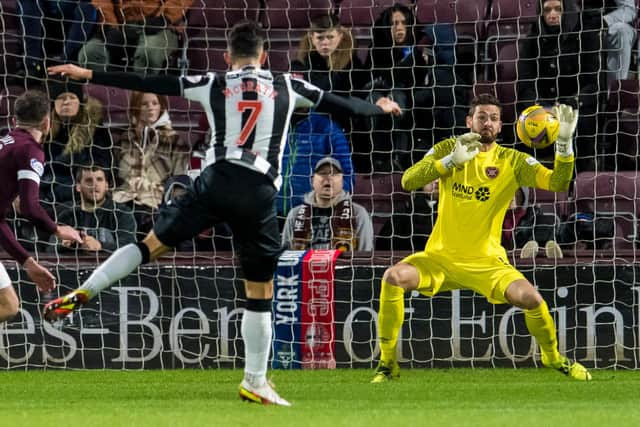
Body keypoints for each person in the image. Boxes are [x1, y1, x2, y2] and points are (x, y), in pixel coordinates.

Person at [42, 20, 401, 406]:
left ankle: (86, 289)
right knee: (259, 291)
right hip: (258, 190)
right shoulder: (290, 84)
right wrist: (379, 107)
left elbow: (151, 82)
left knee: (148, 246)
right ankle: (254, 381)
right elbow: (347, 106)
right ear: (265, 55)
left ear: (228, 57)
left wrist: (88, 72)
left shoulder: (213, 81)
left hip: (214, 180)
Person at [370, 94, 592, 384]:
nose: (487, 123)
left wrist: (564, 144)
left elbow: (559, 182)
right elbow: (408, 181)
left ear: (501, 127)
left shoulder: (512, 160)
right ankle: (387, 364)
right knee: (392, 277)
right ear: (469, 121)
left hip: (488, 263)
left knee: (532, 299)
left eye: (494, 118)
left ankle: (553, 357)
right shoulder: (449, 148)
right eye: (481, 117)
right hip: (440, 258)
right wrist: (449, 162)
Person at [0, 90, 83, 322]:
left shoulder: (6, 143)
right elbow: (29, 207)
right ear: (47, 123)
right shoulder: (29, 150)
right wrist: (57, 230)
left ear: (14, 121)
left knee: (8, 305)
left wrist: (28, 262)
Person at [516, 0, 604, 172]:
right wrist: (541, 106)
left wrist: (571, 103)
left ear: (568, 11)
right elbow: (525, 85)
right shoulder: (532, 40)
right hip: (543, 107)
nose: (552, 15)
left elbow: (594, 85)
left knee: (582, 122)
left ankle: (578, 183)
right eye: (547, 10)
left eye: (558, 9)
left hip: (576, 106)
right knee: (524, 122)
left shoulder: (586, 37)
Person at [112, 91, 190, 234]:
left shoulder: (175, 141)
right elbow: (114, 174)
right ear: (136, 108)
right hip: (123, 200)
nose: (151, 107)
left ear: (161, 107)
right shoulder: (124, 139)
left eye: (155, 103)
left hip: (156, 204)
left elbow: (181, 180)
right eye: (144, 104)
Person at [41, 78, 112, 207]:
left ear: (80, 102)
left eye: (72, 97)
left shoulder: (96, 129)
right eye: (61, 98)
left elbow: (103, 164)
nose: (67, 102)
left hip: (81, 188)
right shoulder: (44, 132)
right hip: (47, 185)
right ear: (53, 104)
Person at [282, 157, 373, 252]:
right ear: (312, 180)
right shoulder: (295, 214)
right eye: (323, 173)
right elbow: (285, 255)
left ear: (342, 180)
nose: (328, 178)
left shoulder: (358, 213)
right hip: (303, 266)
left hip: (343, 266)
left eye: (334, 174)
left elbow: (365, 254)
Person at [78, 0, 192, 73]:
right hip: (120, 24)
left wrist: (164, 19)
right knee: (90, 53)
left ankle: (141, 100)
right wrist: (110, 25)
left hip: (161, 26)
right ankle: (104, 99)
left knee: (149, 54)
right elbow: (103, 2)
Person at [277, 113, 354, 219]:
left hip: (312, 214)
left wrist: (324, 204)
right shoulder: (274, 124)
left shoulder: (326, 128)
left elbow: (347, 176)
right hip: (272, 212)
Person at [48, 166, 136, 253]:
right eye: (89, 180)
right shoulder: (67, 215)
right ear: (78, 186)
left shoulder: (121, 213)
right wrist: (63, 245)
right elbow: (49, 248)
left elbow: (130, 246)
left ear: (106, 186)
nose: (95, 184)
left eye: (99, 179)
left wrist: (101, 246)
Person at [17, 0, 98, 79]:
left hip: (72, 29)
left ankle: (64, 67)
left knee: (88, 8)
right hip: (42, 24)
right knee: (29, 3)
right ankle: (32, 66)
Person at [581, 0, 637, 83]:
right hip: (580, 24)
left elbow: (629, 10)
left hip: (610, 25)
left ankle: (615, 89)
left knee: (621, 30)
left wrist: (604, 21)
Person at [502, 187, 563, 259]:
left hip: (525, 257)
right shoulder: (494, 218)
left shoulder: (534, 215)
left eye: (516, 193)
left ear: (524, 196)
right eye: (508, 193)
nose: (512, 197)